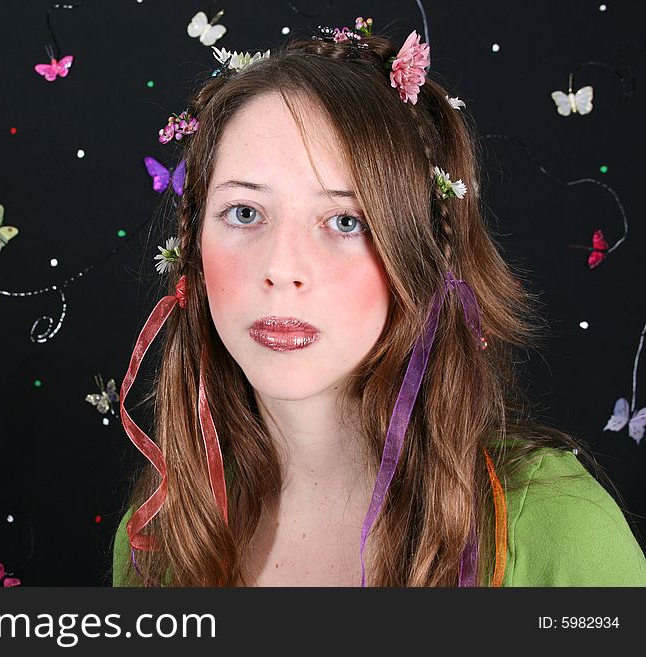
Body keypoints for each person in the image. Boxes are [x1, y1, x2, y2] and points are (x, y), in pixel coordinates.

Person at [111, 23, 646, 587]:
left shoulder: (555, 530)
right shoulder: (157, 540)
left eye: (346, 221)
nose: (281, 268)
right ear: (193, 251)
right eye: (244, 212)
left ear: (419, 256)